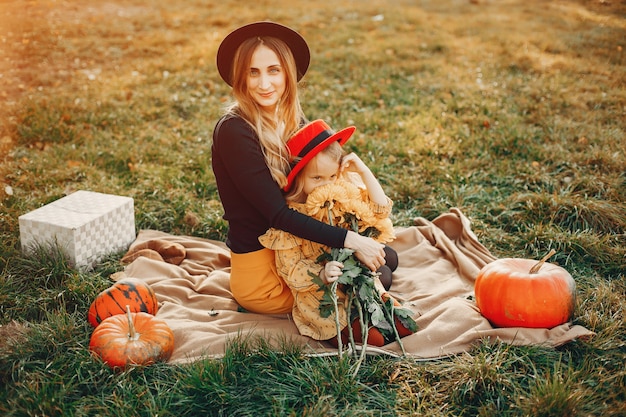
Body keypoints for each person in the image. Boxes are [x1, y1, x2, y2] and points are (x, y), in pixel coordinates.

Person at [212, 21, 387, 315]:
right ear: (240, 75)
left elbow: (315, 180)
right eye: (253, 72)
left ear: (287, 73)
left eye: (273, 70)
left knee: (386, 258)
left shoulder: (289, 116)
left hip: (300, 247)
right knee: (375, 272)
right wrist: (352, 240)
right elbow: (278, 215)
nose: (264, 84)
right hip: (266, 271)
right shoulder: (234, 131)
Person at [258, 119, 409, 345]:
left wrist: (364, 171)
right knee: (376, 340)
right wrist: (321, 273)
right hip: (325, 293)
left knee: (386, 269)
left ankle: (379, 302)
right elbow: (292, 270)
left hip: (357, 276)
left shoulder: (341, 196)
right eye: (317, 178)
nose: (326, 185)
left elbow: (380, 210)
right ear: (298, 177)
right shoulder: (292, 220)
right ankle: (356, 321)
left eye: (332, 176)